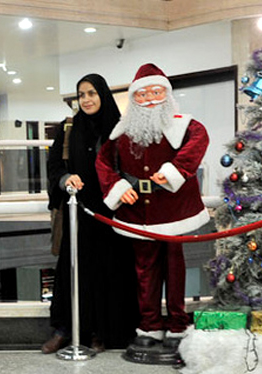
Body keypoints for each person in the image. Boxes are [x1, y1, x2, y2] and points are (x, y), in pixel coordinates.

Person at [96, 63, 210, 350]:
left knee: (175, 269)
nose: (150, 99)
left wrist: (174, 170)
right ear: (134, 98)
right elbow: (103, 162)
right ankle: (149, 325)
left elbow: (199, 141)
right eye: (143, 94)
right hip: (137, 212)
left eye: (156, 92)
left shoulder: (185, 125)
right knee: (144, 270)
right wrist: (119, 188)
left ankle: (177, 324)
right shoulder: (122, 132)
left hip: (173, 210)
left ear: (166, 94)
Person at [43, 73, 139, 354]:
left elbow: (132, 168)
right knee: (73, 271)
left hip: (111, 216)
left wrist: (124, 187)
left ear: (103, 95)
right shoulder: (69, 128)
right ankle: (65, 330)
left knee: (107, 272)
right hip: (78, 214)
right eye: (81, 95)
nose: (86, 100)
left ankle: (101, 332)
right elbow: (54, 166)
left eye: (91, 93)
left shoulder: (119, 129)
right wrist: (66, 179)